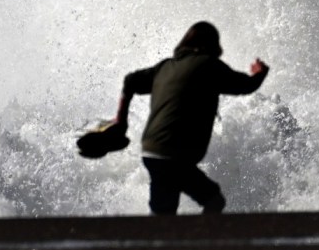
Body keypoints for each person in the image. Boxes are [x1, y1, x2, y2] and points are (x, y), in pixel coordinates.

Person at [113, 21, 269, 215]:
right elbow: (246, 86)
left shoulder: (165, 66)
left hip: (151, 151)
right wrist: (260, 73)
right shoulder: (208, 65)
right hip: (173, 155)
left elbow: (130, 81)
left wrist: (120, 121)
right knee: (213, 200)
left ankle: (162, 241)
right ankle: (196, 242)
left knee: (164, 213)